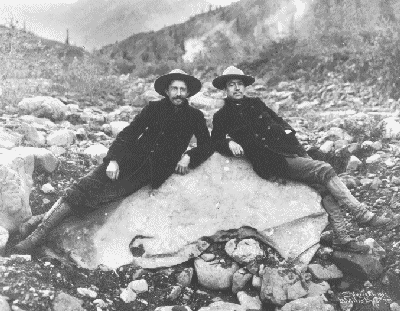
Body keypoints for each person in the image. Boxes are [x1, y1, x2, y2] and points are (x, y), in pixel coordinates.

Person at [14, 69, 213, 253]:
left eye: (182, 89)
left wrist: (189, 156)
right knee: (84, 186)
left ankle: (40, 221)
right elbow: (129, 133)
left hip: (150, 172)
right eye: (174, 89)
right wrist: (114, 160)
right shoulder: (154, 108)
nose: (178, 93)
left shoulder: (194, 116)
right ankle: (36, 237)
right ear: (167, 91)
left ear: (188, 93)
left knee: (99, 200)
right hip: (127, 160)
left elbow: (207, 145)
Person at [211, 66, 395, 254]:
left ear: (245, 86)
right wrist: (229, 141)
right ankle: (362, 215)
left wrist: (288, 131)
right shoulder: (222, 116)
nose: (237, 89)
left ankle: (342, 237)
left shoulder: (256, 103)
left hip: (291, 149)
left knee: (322, 186)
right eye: (231, 85)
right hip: (273, 161)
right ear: (225, 90)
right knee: (324, 169)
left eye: (240, 84)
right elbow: (214, 141)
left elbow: (279, 120)